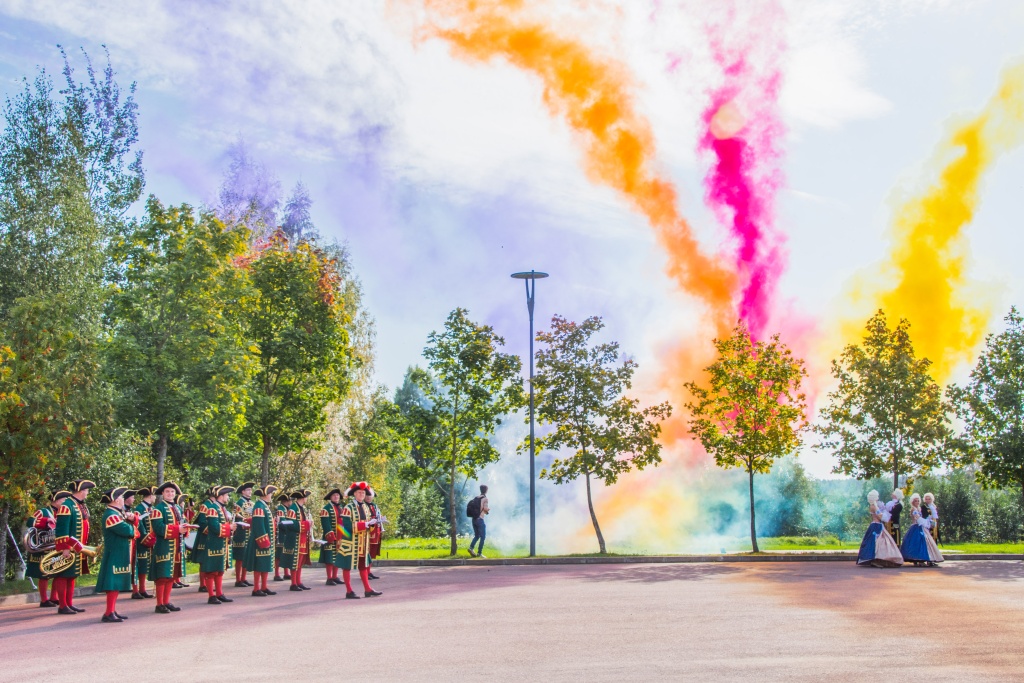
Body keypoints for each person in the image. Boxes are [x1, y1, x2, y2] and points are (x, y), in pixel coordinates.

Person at [95, 487, 140, 623]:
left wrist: (132, 519)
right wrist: (133, 526)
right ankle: (108, 612)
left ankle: (112, 610)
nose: (123, 499)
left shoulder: (116, 514)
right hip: (114, 553)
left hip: (118, 552)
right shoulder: (111, 515)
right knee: (113, 584)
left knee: (116, 584)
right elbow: (129, 531)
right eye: (121, 497)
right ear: (115, 499)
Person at [53, 479, 96, 615]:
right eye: (86, 490)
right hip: (67, 548)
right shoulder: (67, 506)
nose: (87, 493)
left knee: (72, 576)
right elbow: (61, 530)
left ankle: (69, 604)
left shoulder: (78, 505)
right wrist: (65, 547)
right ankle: (62, 605)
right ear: (81, 491)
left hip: (77, 548)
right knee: (63, 576)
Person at [150, 481, 193, 613]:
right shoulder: (158, 509)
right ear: (162, 494)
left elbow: (183, 523)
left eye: (172, 492)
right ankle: (159, 604)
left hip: (177, 547)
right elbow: (158, 528)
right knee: (162, 577)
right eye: (168, 492)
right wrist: (177, 529)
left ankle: (166, 601)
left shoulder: (178, 508)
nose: (170, 494)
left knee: (171, 576)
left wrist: (185, 528)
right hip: (164, 547)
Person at [25, 489, 69, 608]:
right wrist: (45, 521)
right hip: (43, 548)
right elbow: (30, 521)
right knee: (43, 574)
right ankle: (44, 600)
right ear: (57, 500)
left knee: (57, 571)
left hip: (55, 546)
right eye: (64, 500)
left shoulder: (62, 512)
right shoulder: (43, 511)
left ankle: (53, 597)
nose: (65, 502)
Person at [338, 481, 382, 599]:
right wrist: (365, 525)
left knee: (363, 566)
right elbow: (346, 526)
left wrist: (373, 524)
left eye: (363, 492)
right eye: (359, 492)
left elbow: (368, 524)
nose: (362, 494)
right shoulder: (348, 508)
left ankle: (368, 589)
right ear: (354, 494)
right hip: (351, 543)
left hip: (363, 543)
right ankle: (349, 591)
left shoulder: (366, 508)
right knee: (347, 567)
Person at [197, 485, 237, 604]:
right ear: (221, 496)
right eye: (227, 495)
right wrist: (228, 527)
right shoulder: (213, 509)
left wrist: (231, 529)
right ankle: (211, 596)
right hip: (214, 543)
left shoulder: (222, 508)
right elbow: (213, 527)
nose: (228, 497)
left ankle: (219, 593)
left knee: (220, 570)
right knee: (211, 571)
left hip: (222, 543)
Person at [244, 485, 280, 597]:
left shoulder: (264, 505)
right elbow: (259, 525)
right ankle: (256, 588)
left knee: (265, 565)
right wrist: (263, 540)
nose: (271, 496)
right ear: (265, 495)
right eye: (270, 494)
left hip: (266, 541)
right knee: (259, 566)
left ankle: (264, 587)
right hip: (260, 542)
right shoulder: (259, 506)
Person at [855, 490, 903, 568]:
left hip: (877, 525)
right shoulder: (874, 506)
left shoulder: (874, 505)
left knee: (879, 543)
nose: (878, 498)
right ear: (874, 497)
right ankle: (876, 559)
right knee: (878, 543)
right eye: (877, 496)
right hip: (876, 525)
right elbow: (880, 516)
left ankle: (878, 559)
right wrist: (888, 514)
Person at [900, 493, 944, 567]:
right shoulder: (913, 509)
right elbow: (917, 518)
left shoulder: (919, 508)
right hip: (916, 527)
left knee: (924, 542)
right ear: (912, 502)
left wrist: (929, 520)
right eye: (915, 501)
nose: (917, 502)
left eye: (918, 501)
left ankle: (922, 559)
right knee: (916, 542)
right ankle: (917, 559)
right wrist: (927, 522)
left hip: (921, 527)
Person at [283, 489, 314, 591]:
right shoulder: (293, 509)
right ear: (303, 498)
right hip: (295, 539)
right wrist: (307, 524)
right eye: (306, 497)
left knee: (300, 562)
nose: (306, 499)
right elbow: (290, 524)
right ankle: (293, 583)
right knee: (295, 562)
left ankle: (298, 581)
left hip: (303, 538)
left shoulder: (301, 508)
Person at [132, 486, 157, 600]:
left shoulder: (151, 508)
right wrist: (147, 539)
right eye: (154, 495)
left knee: (144, 566)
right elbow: (139, 527)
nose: (155, 497)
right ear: (150, 495)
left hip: (149, 542)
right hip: (140, 542)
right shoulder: (139, 509)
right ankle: (136, 590)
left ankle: (143, 589)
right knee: (138, 566)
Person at [232, 481, 256, 588]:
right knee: (240, 557)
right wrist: (245, 519)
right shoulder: (239, 503)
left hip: (249, 532)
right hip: (241, 532)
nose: (250, 492)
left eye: (251, 490)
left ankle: (244, 578)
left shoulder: (253, 503)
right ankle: (238, 579)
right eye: (248, 490)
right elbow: (235, 516)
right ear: (243, 491)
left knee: (246, 556)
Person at [320, 488, 343, 586]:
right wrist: (330, 535)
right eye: (334, 495)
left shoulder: (341, 507)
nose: (336, 497)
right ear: (330, 497)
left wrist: (344, 535)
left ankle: (335, 576)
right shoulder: (326, 508)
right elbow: (325, 524)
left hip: (339, 536)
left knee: (337, 557)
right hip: (330, 537)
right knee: (330, 558)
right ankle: (329, 578)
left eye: (337, 495)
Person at [175, 493, 194, 588]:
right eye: (181, 502)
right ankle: (174, 579)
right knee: (176, 560)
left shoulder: (180, 510)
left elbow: (187, 519)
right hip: (175, 537)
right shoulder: (176, 509)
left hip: (181, 537)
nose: (182, 504)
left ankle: (177, 579)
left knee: (180, 560)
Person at [365, 488, 384, 580]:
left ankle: (369, 571)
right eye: (367, 495)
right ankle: (365, 572)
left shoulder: (374, 506)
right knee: (366, 552)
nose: (368, 497)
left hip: (376, 532)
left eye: (370, 495)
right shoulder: (363, 506)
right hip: (367, 532)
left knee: (372, 552)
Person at [467, 484, 489, 558]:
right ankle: (479, 553)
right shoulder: (485, 499)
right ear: (486, 490)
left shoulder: (476, 498)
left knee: (477, 535)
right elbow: (485, 509)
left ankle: (471, 548)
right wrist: (488, 510)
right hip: (480, 519)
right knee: (483, 536)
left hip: (474, 519)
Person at [274, 493, 292, 582]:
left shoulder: (287, 509)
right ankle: (277, 574)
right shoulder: (281, 509)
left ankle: (286, 573)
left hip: (286, 534)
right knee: (278, 555)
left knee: (285, 553)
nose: (291, 502)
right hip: (281, 535)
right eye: (290, 500)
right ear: (286, 501)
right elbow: (282, 523)